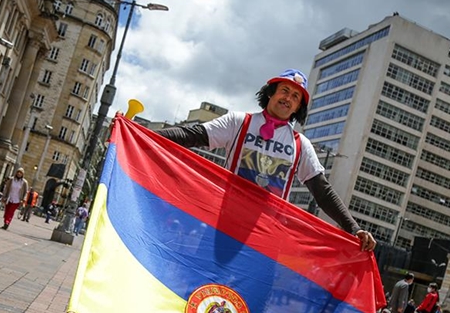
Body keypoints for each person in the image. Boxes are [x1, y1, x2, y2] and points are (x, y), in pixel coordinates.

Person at [155, 69, 375, 252]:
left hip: (266, 241)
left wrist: (354, 229)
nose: (288, 98)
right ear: (271, 93)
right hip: (221, 229)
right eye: (285, 91)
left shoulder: (301, 145)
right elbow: (191, 134)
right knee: (201, 294)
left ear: (298, 108)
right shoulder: (239, 122)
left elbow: (322, 192)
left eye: (295, 97)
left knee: (251, 303)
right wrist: (140, 131)